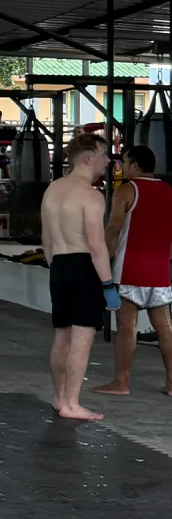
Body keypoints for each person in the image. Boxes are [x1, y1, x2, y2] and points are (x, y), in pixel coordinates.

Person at [39, 132, 117, 421]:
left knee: (62, 336)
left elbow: (46, 239)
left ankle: (60, 398)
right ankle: (72, 403)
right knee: (82, 338)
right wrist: (108, 284)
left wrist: (56, 267)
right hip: (85, 266)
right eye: (104, 154)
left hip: (59, 264)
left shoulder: (52, 190)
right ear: (88, 158)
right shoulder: (91, 196)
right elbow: (97, 245)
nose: (108, 161)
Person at [91, 145, 172, 397]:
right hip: (159, 271)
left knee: (127, 327)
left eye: (125, 162)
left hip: (130, 270)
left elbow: (113, 230)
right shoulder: (169, 191)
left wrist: (102, 260)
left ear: (136, 166)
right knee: (165, 328)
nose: (121, 167)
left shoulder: (127, 190)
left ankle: (121, 382)